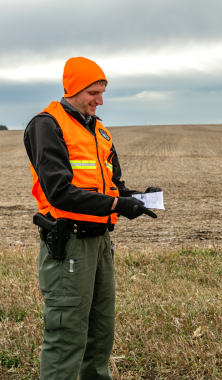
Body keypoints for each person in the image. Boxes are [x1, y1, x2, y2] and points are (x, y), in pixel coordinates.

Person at [24, 57, 159, 380]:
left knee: (100, 332)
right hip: (68, 245)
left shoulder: (100, 131)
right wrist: (116, 205)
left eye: (102, 92)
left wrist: (138, 198)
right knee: (66, 334)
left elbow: (114, 188)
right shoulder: (47, 125)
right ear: (72, 89)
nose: (100, 100)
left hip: (100, 244)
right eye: (93, 92)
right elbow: (59, 192)